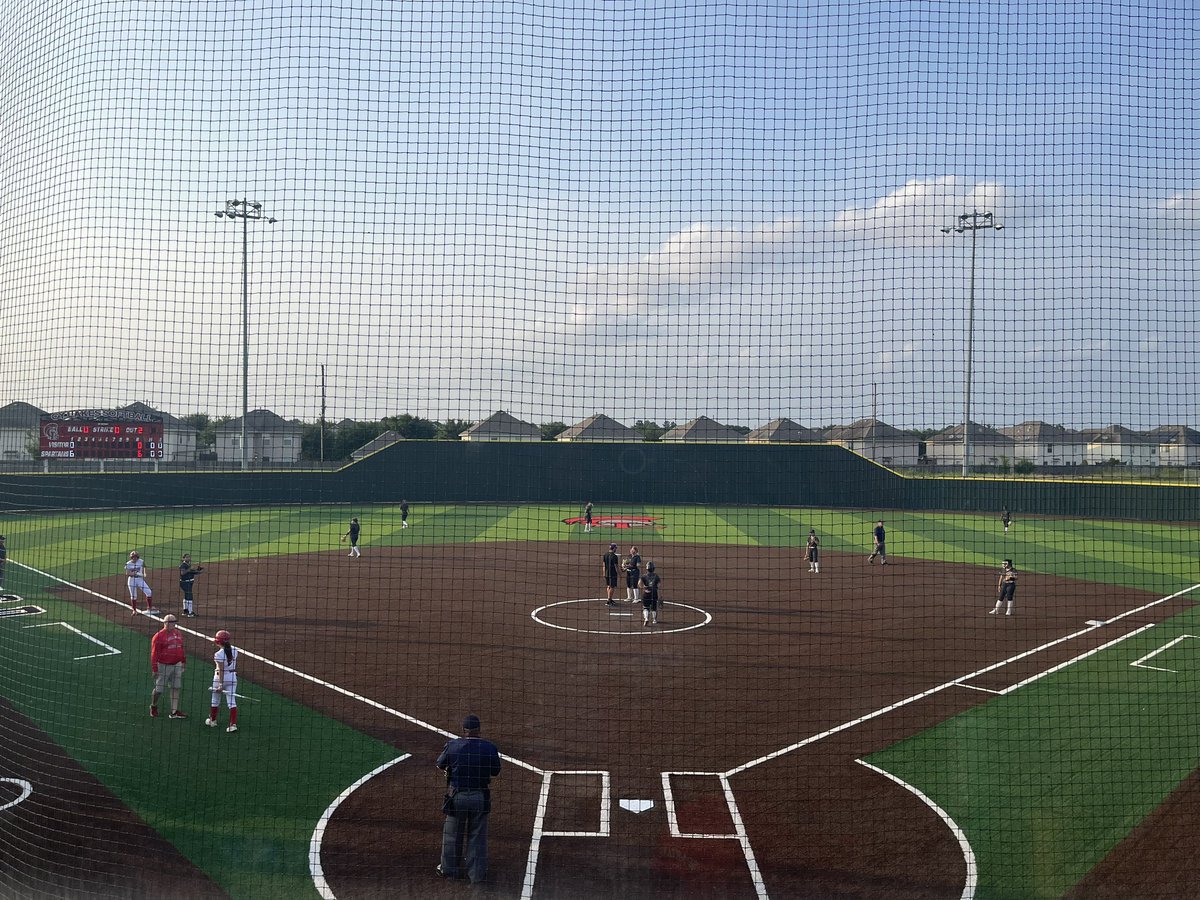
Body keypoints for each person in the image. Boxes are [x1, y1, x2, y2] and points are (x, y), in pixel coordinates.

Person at [436, 713, 502, 884]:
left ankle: (448, 870)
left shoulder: (453, 745)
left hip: (456, 798)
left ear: (464, 730)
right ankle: (477, 875)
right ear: (479, 731)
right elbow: (496, 771)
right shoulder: (489, 747)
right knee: (477, 837)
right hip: (480, 797)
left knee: (452, 835)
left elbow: (440, 764)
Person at [150, 615, 187, 719]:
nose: (173, 624)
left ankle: (174, 711)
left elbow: (181, 647)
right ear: (165, 623)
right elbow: (154, 654)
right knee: (159, 689)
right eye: (171, 622)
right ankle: (153, 706)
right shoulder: (158, 636)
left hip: (177, 664)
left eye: (174, 622)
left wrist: (183, 661)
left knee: (176, 687)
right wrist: (154, 668)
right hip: (163, 666)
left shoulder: (178, 633)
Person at [205, 629, 240, 732]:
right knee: (232, 702)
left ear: (218, 641)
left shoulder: (218, 654)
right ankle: (233, 724)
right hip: (232, 677)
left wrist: (220, 685)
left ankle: (213, 720)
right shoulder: (235, 650)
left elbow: (221, 670)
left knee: (215, 700)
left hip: (220, 678)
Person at [125, 551, 156, 615]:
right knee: (134, 596)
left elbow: (144, 566)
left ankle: (149, 607)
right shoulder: (128, 564)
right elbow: (127, 573)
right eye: (133, 557)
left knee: (149, 592)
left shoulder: (141, 561)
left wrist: (144, 573)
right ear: (131, 557)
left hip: (139, 580)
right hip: (132, 580)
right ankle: (134, 610)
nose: (134, 558)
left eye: (136, 557)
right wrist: (135, 573)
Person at [178, 553, 204, 618]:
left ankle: (185, 610)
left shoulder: (188, 565)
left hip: (188, 583)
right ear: (183, 558)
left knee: (187, 595)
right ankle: (190, 612)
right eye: (186, 557)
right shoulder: (183, 565)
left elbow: (192, 572)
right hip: (185, 583)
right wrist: (190, 569)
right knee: (189, 596)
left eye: (189, 557)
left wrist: (199, 570)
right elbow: (183, 573)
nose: (188, 558)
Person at [639, 561, 661, 626]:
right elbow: (659, 585)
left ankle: (646, 618)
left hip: (646, 594)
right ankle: (654, 620)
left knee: (645, 608)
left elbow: (639, 583)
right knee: (654, 608)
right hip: (654, 593)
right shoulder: (656, 576)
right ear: (654, 568)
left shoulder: (644, 576)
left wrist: (644, 587)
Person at [601, 542, 620, 606]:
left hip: (606, 573)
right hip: (613, 574)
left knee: (608, 586)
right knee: (612, 587)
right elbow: (616, 566)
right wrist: (619, 573)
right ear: (613, 548)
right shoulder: (614, 556)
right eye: (615, 548)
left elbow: (603, 565)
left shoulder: (605, 554)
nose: (616, 549)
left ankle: (610, 599)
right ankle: (609, 600)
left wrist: (603, 573)